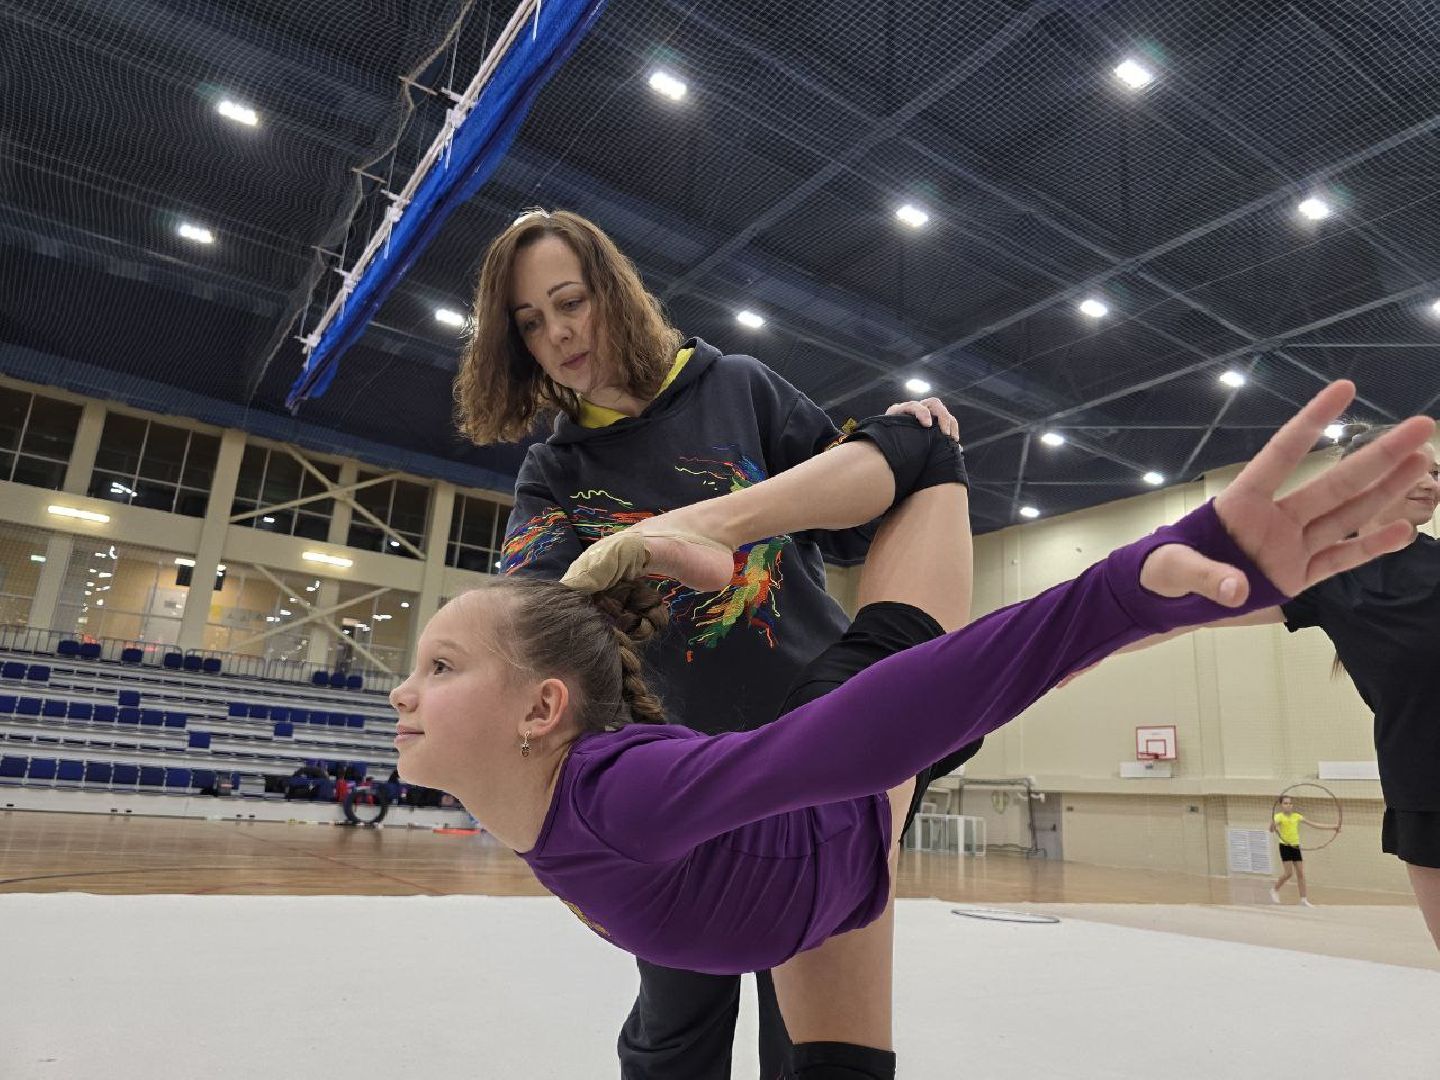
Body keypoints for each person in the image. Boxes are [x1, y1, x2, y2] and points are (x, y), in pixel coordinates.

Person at [391, 381, 1432, 1077]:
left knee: (933, 459)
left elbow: (867, 733)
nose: (402, 691)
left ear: (542, 710)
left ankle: (800, 483)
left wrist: (1120, 589)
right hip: (821, 890)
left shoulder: (615, 793)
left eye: (438, 666)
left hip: (842, 805)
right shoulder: (524, 803)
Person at [454, 206, 977, 1078]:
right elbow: (535, 619)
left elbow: (857, 522)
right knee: (676, 1007)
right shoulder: (553, 472)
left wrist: (899, 432)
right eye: (530, 322)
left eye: (569, 301)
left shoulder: (738, 384)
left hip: (814, 731)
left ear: (612, 293)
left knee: (806, 1000)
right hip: (677, 768)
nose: (558, 334)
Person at [1067, 420, 1440, 950]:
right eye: (1414, 469)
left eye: (1437, 472)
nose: (1431, 483)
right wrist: (1083, 651)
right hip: (1424, 783)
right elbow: (1190, 615)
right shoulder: (1326, 577)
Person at [1269, 794, 1338, 905]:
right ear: (1281, 805)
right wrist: (1273, 825)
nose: (1288, 805)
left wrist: (1332, 827)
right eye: (1285, 803)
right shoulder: (1278, 817)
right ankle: (1274, 889)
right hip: (1285, 846)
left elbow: (1314, 824)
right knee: (1288, 873)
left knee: (1300, 873)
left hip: (1295, 846)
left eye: (1290, 803)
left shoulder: (1297, 816)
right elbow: (1271, 830)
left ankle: (1303, 900)